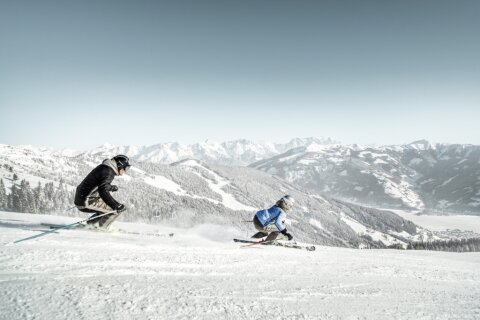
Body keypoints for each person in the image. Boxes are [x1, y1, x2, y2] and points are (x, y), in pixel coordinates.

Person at [74, 155, 131, 229]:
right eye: (125, 168)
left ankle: (91, 225)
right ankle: (102, 229)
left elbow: (100, 184)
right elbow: (103, 190)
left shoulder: (105, 168)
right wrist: (116, 205)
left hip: (81, 198)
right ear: (119, 165)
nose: (125, 171)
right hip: (85, 201)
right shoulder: (108, 172)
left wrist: (111, 187)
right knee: (114, 211)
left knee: (105, 209)